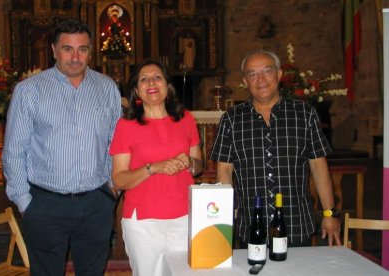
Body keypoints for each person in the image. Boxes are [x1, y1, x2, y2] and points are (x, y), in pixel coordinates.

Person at [3, 19, 122, 275]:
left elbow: (116, 142)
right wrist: (25, 203)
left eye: (82, 49)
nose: (76, 57)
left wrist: (112, 189)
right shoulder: (29, 91)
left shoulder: (107, 88)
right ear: (54, 50)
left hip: (96, 202)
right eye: (68, 49)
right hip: (46, 203)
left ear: (91, 51)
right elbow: (14, 151)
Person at [210, 50, 341, 248]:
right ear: (245, 81)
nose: (260, 79)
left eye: (267, 71)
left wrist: (329, 213)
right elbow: (224, 171)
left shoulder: (304, 114)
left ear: (279, 75)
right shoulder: (232, 119)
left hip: (296, 223)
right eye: (252, 74)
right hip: (251, 225)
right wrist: (224, 221)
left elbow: (318, 166)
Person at [109, 58, 203, 276]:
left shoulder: (186, 119)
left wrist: (189, 163)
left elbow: (198, 166)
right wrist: (153, 168)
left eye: (157, 77)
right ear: (136, 90)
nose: (151, 82)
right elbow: (119, 180)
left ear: (168, 86)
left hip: (184, 216)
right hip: (143, 223)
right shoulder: (126, 126)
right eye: (144, 79)